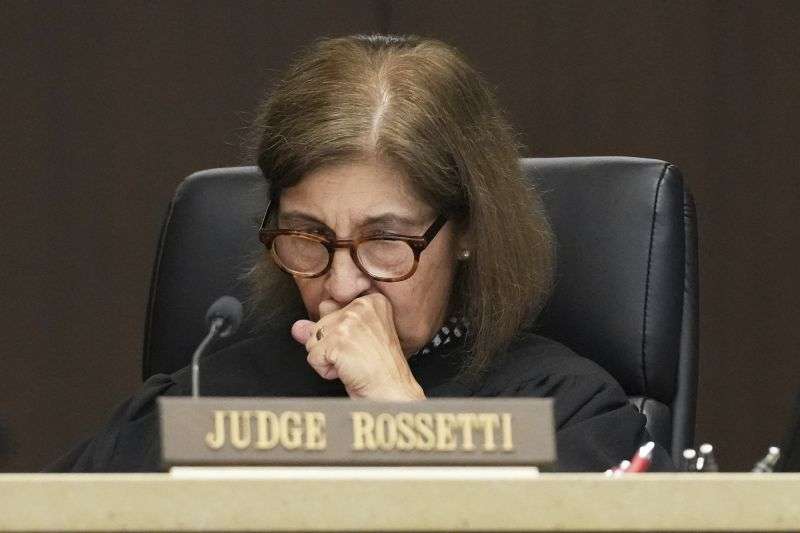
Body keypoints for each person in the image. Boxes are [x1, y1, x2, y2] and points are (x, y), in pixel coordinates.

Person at [48, 34, 673, 472]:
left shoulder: (568, 411)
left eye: (383, 241)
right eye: (308, 238)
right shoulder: (201, 400)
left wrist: (398, 414)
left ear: (468, 231)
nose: (342, 286)